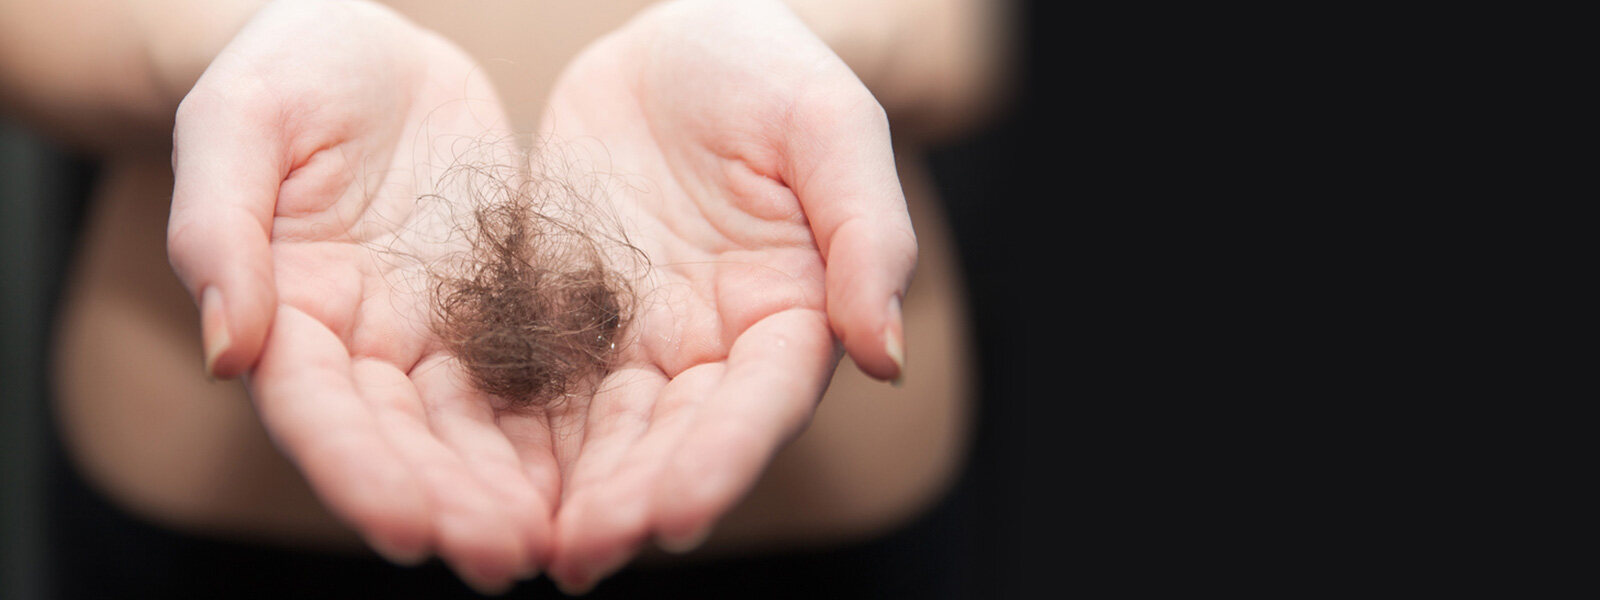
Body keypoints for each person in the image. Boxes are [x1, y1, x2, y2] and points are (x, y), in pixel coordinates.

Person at [1, 0, 1007, 594]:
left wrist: (793, 40)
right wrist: (237, 44)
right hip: (213, 528)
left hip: (819, 534)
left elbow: (964, 32)